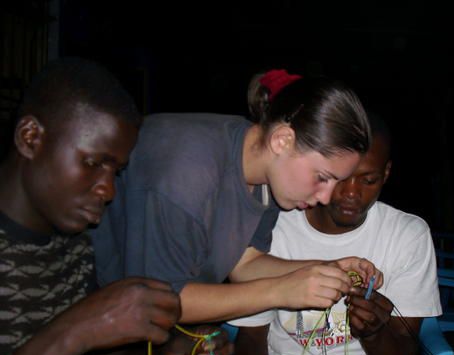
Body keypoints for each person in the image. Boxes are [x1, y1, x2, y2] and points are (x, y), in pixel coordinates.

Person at [0, 58, 232, 355]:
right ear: (30, 137)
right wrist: (77, 327)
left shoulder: (70, 245)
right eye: (93, 164)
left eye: (116, 172)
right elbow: (72, 340)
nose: (108, 190)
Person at [91, 69, 382, 325]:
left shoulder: (268, 171)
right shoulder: (186, 174)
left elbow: (244, 264)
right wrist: (280, 291)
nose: (325, 197)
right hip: (80, 305)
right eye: (322, 178)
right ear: (283, 140)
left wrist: (323, 269)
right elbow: (157, 302)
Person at [225, 114, 442, 355]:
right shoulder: (276, 227)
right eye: (341, 178)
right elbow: (252, 336)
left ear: (386, 174)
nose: (351, 193)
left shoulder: (407, 233)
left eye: (368, 179)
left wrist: (373, 330)